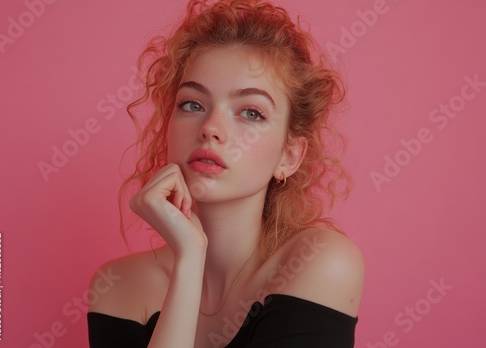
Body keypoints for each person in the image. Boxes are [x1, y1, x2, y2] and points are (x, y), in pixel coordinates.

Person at [87, 0, 364, 347]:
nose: (211, 128)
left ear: (289, 156)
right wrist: (190, 259)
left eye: (250, 112)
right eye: (193, 104)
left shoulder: (321, 262)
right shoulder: (118, 284)